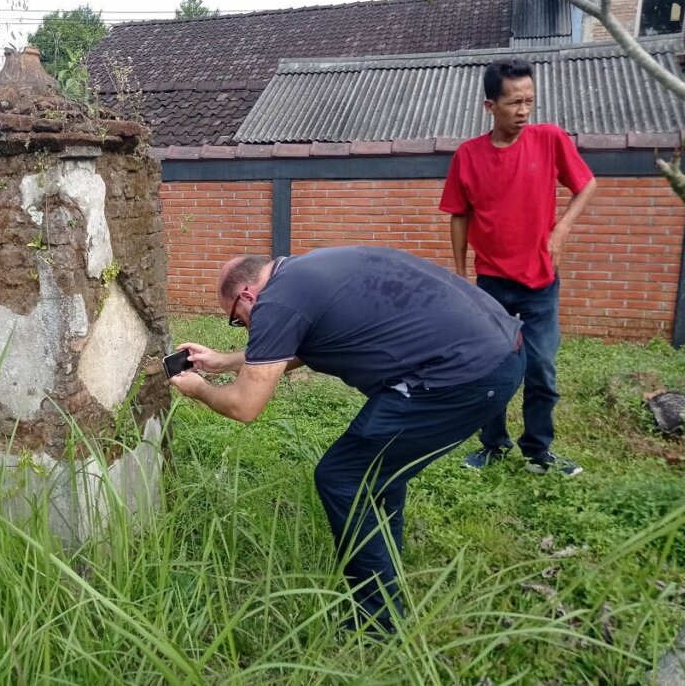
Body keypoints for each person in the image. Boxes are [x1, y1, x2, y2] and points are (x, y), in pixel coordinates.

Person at [168, 246, 524, 634]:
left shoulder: (277, 301)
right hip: (497, 353)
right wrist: (222, 361)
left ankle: (377, 622)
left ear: (248, 296)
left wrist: (200, 389)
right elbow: (297, 346)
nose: (248, 328)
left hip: (461, 377)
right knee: (380, 466)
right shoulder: (303, 273)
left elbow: (244, 406)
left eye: (239, 321)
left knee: (343, 477)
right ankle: (385, 564)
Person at [439, 59, 596, 476]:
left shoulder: (549, 139)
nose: (524, 110)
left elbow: (586, 184)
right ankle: (493, 444)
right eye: (514, 102)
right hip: (490, 283)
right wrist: (460, 271)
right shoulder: (469, 155)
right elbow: (459, 214)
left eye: (530, 101)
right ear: (490, 105)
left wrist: (561, 229)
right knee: (491, 365)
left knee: (541, 366)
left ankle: (538, 451)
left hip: (540, 281)